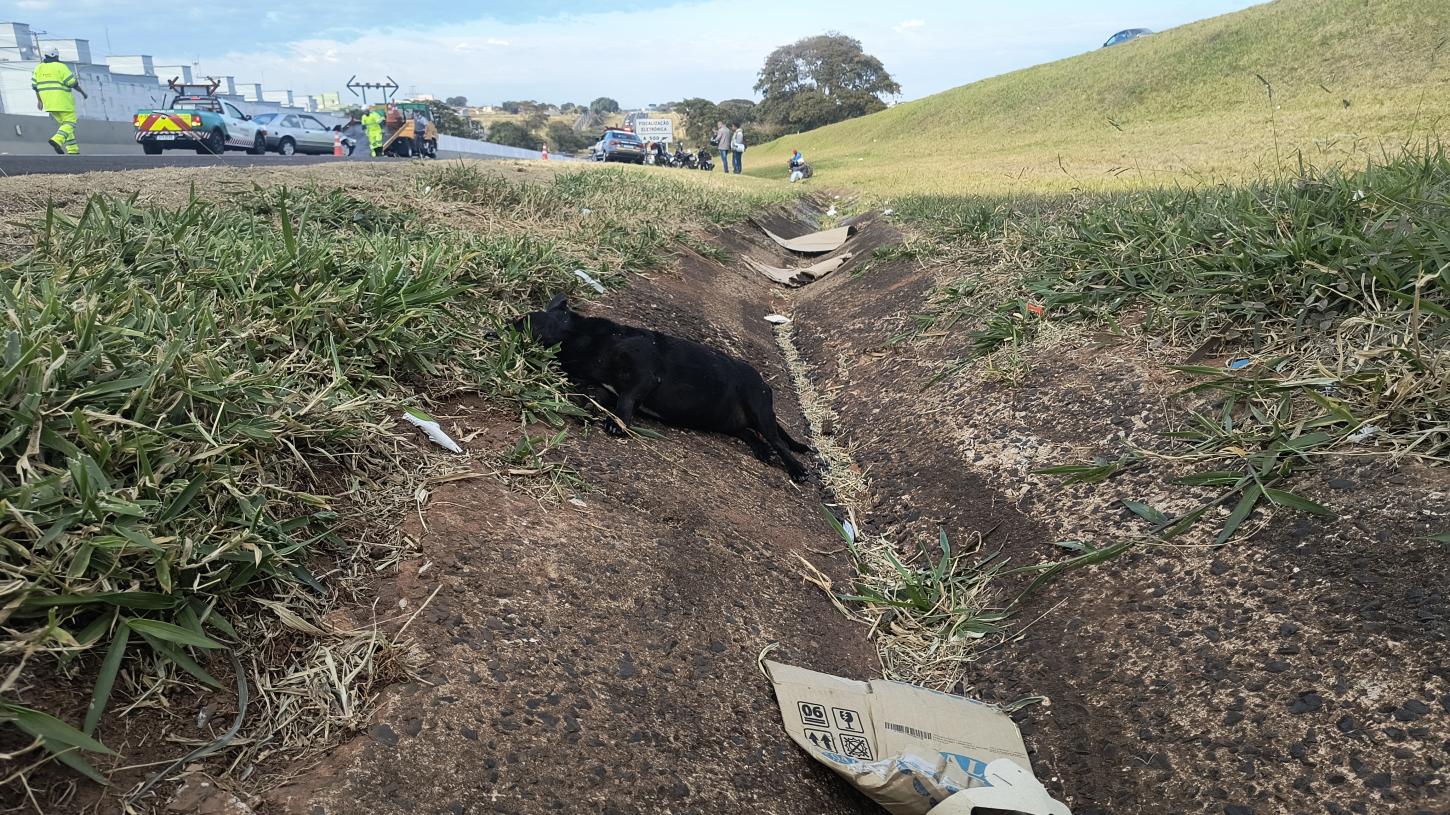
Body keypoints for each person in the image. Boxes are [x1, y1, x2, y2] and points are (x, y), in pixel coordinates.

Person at [31, 47, 88, 155]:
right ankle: (57, 140)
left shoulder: (38, 68)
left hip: (49, 103)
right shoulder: (60, 67)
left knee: (65, 126)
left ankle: (73, 150)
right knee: (70, 123)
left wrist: (40, 101)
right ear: (55, 56)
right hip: (63, 102)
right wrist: (83, 93)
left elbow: (35, 87)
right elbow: (72, 83)